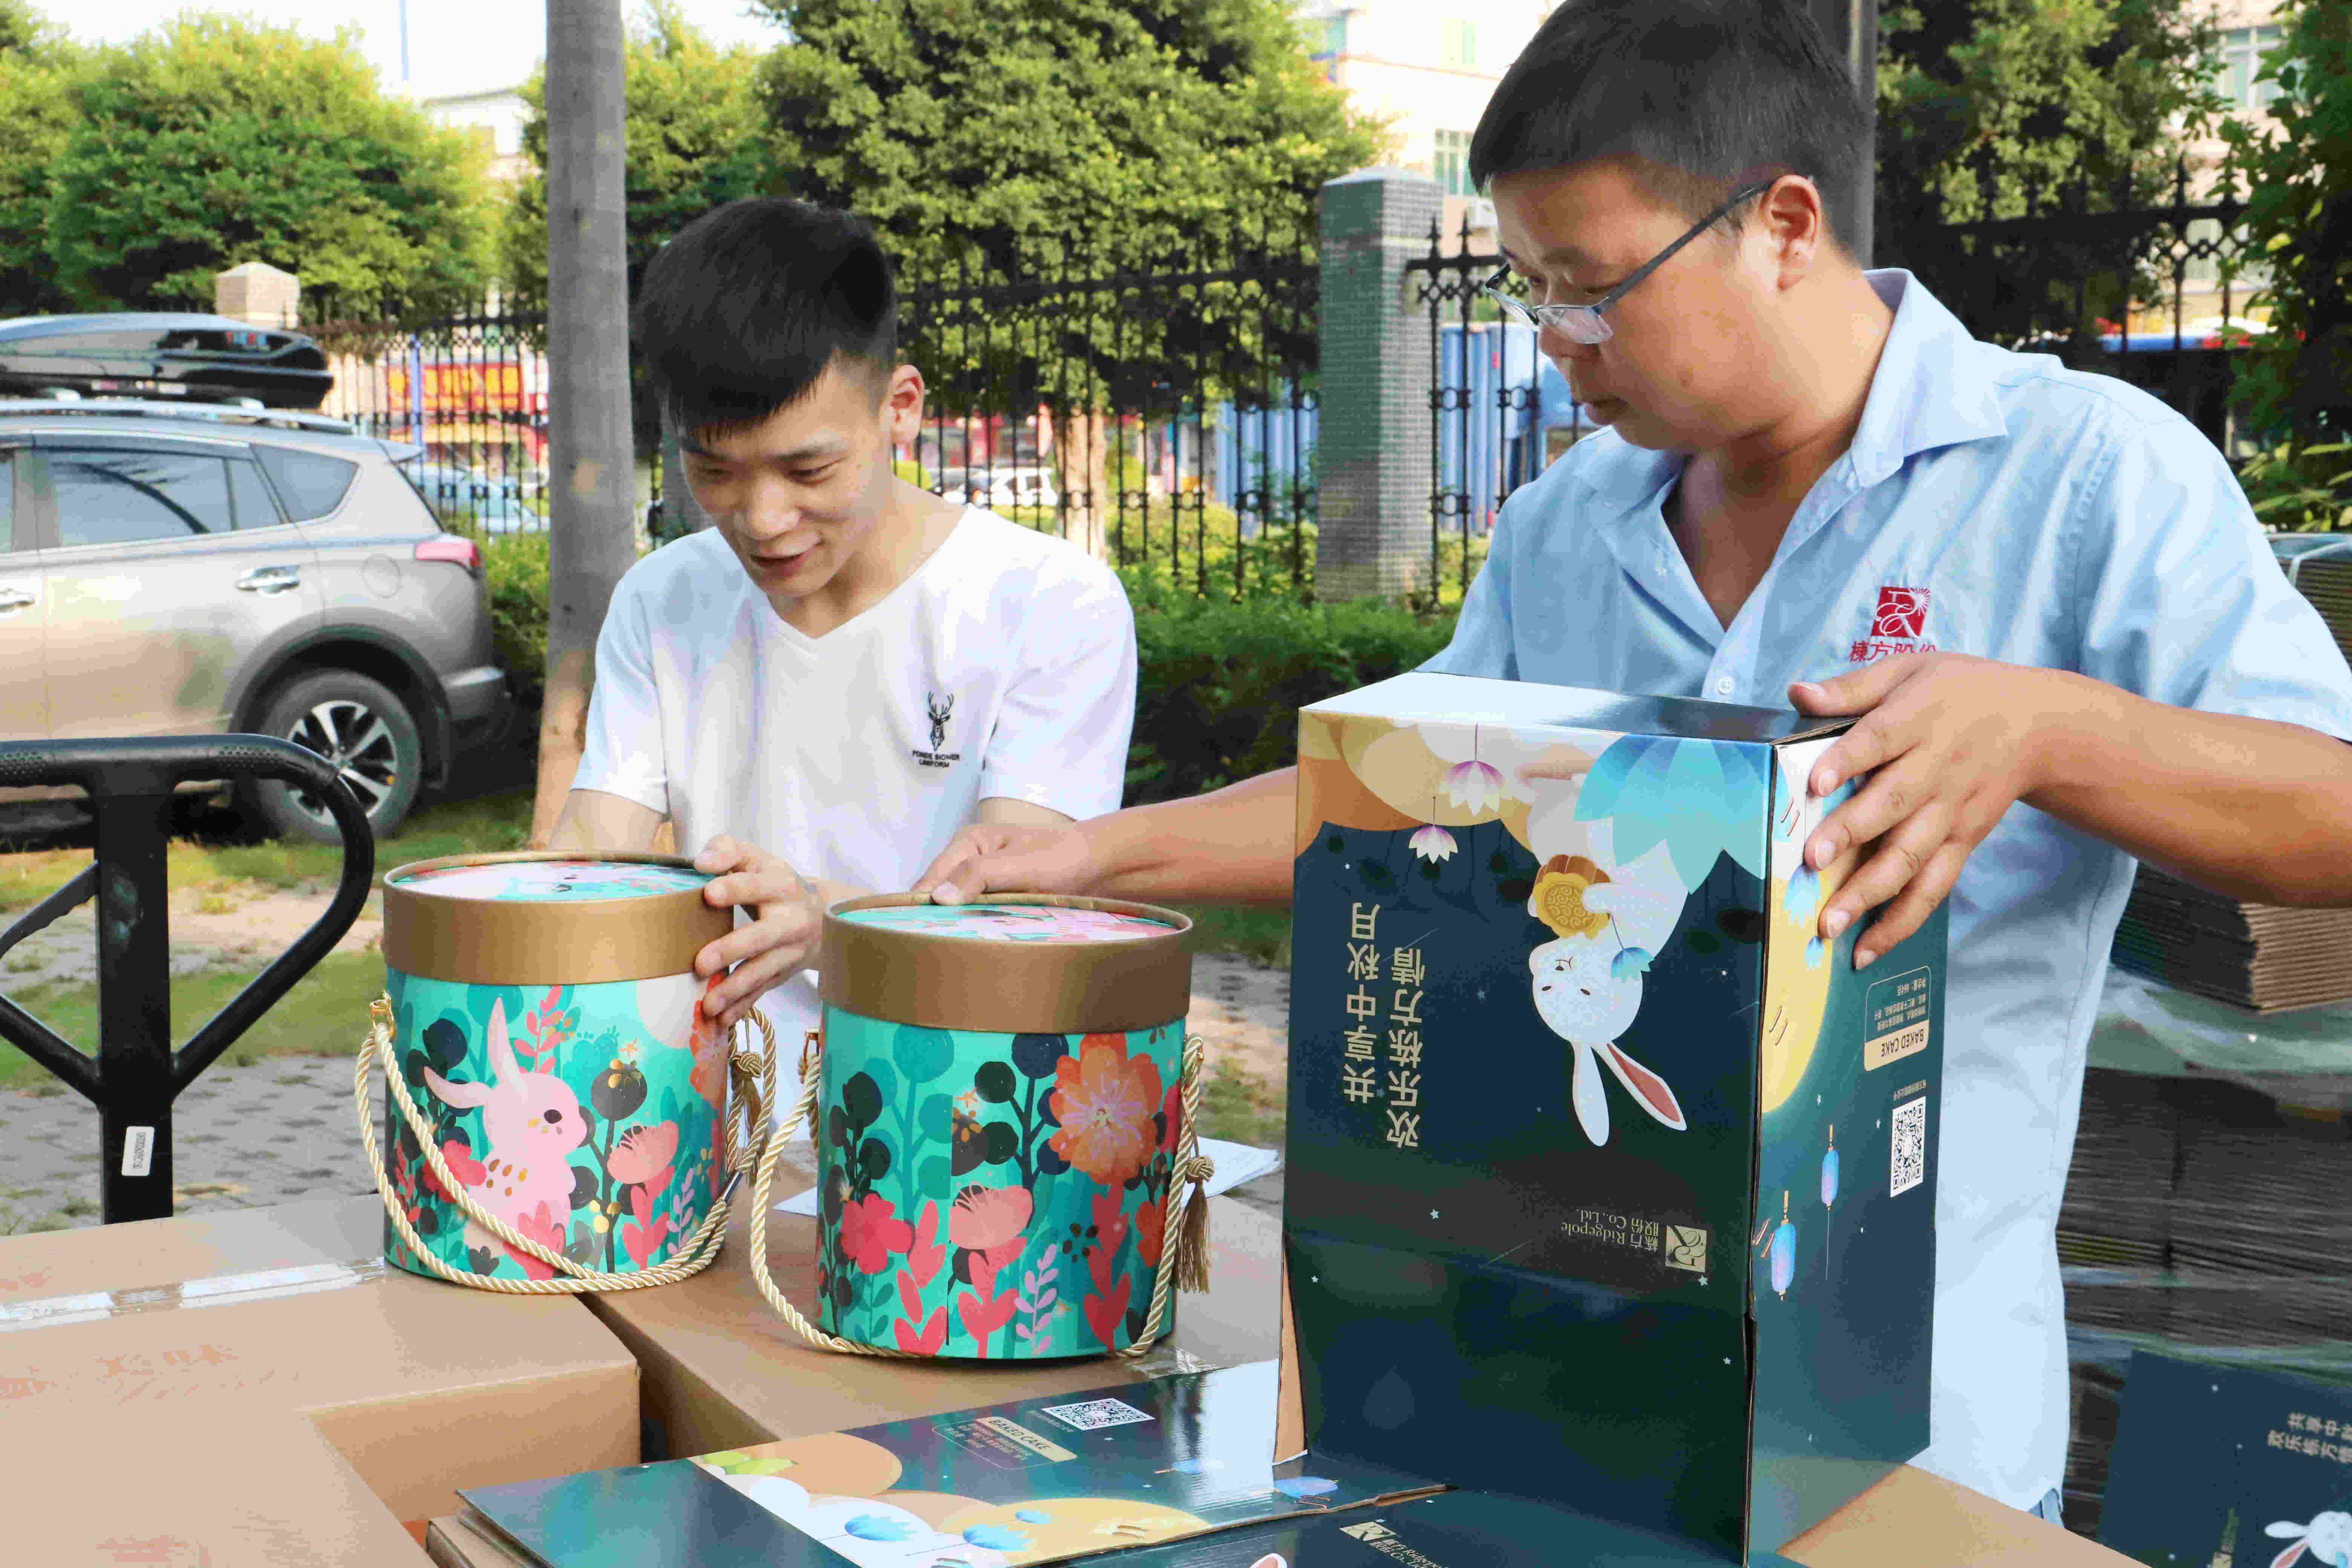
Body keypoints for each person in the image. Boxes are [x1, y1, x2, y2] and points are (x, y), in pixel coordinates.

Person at [917, 0, 2352, 1521]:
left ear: (1783, 226)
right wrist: (1093, 854)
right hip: (1545, 1384)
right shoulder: (1569, 524)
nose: (1556, 342)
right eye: (1530, 290)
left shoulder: (2076, 475)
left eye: (1594, 290)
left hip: (1898, 1425)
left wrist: (2047, 728)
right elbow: (1400, 794)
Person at [550, 197, 1138, 1122]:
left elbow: (1021, 923)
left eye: (808, 471)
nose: (763, 518)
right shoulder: (663, 599)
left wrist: (834, 924)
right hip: (697, 1127)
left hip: (955, 1124)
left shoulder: (1048, 604)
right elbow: (592, 856)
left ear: (900, 408)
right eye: (715, 471)